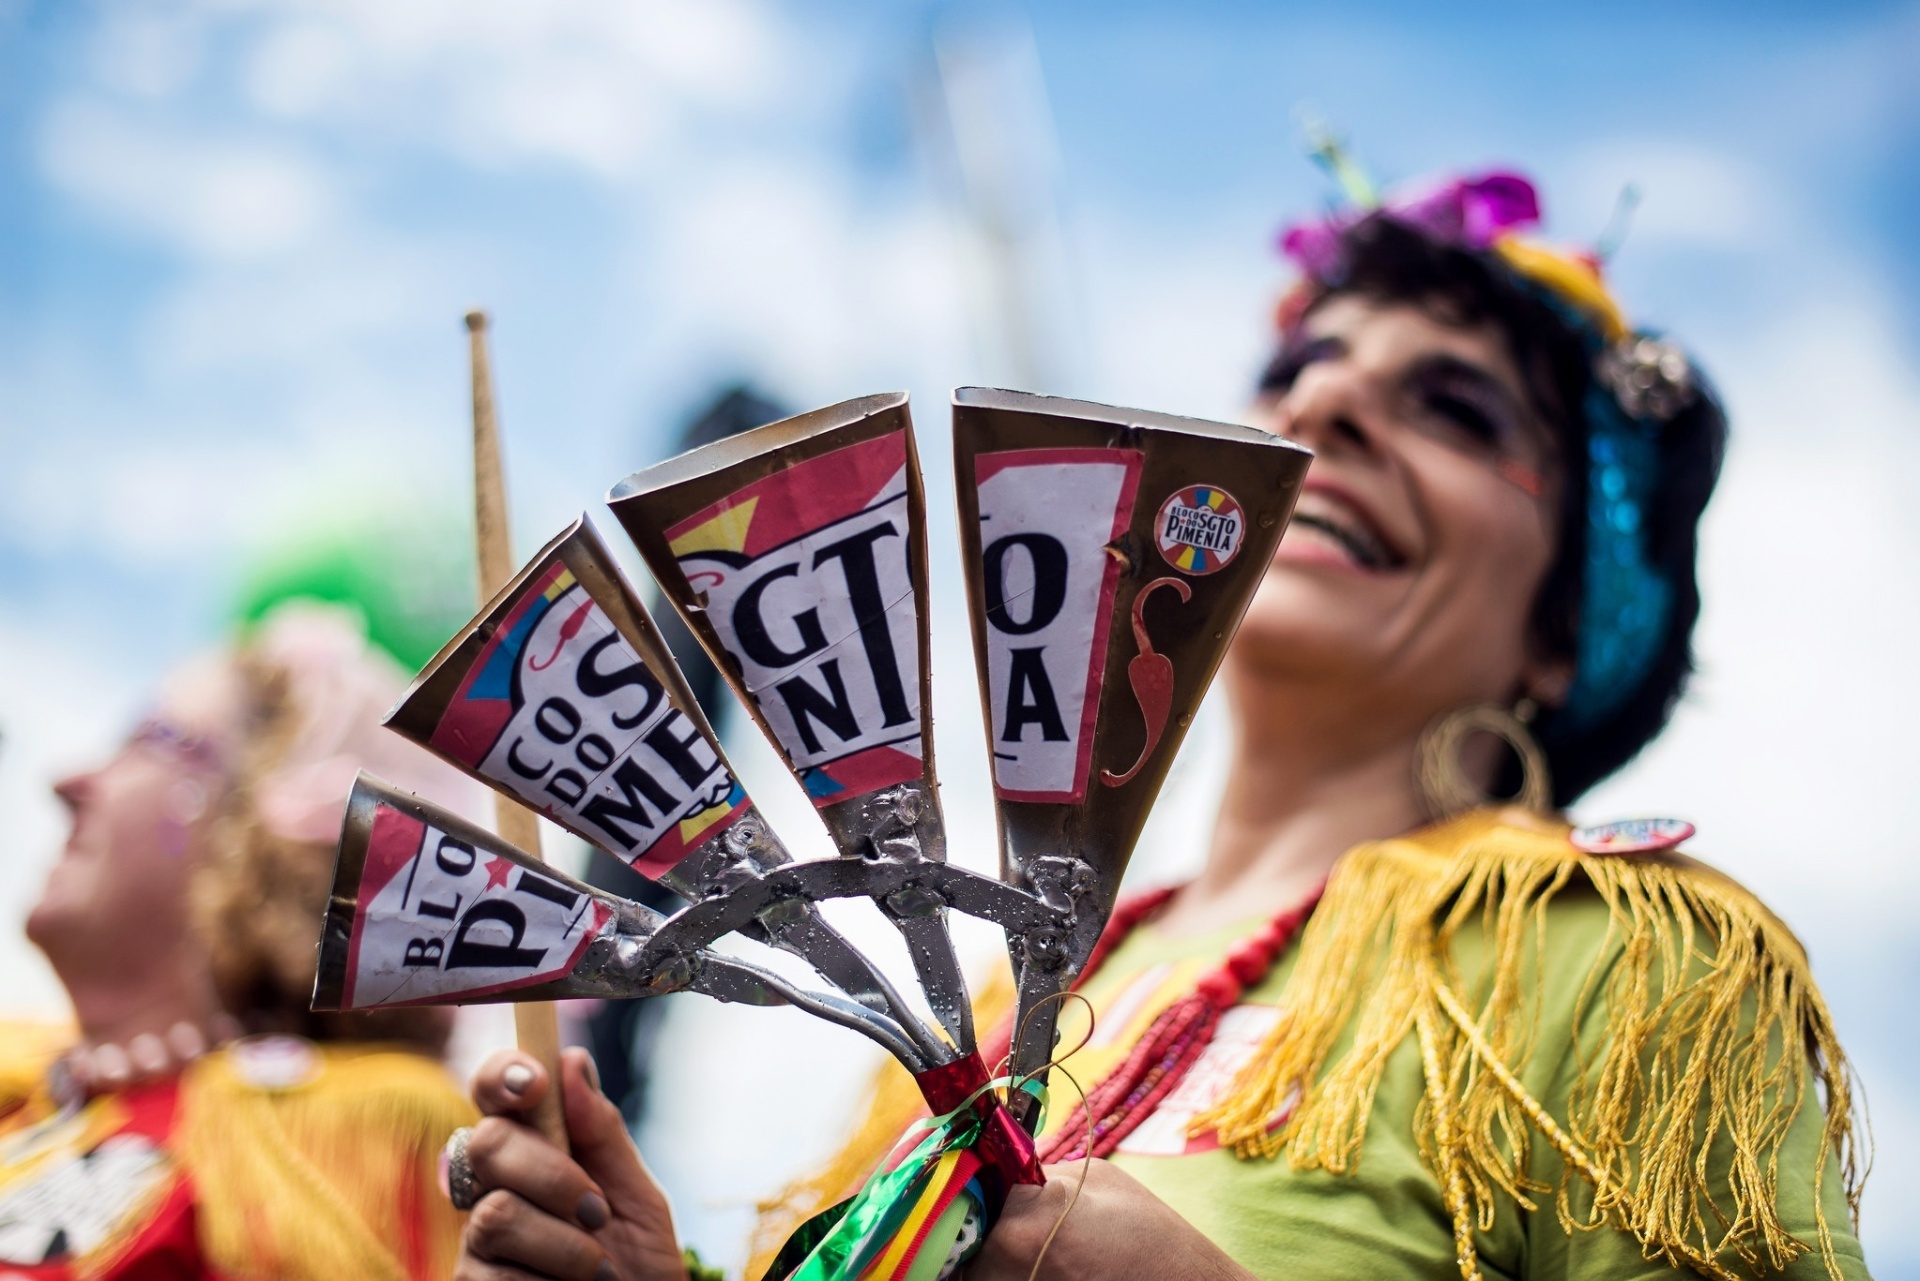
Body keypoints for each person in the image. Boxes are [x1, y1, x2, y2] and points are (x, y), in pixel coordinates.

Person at [442, 167, 1869, 1280]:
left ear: (1568, 624)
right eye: (1296, 368)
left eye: (1455, 408)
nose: (1328, 399)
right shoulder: (1004, 992)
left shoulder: (1631, 960)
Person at [2, 603, 483, 1279]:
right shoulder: (22, 1091)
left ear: (266, 825)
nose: (69, 783)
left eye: (147, 739)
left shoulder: (338, 1135)